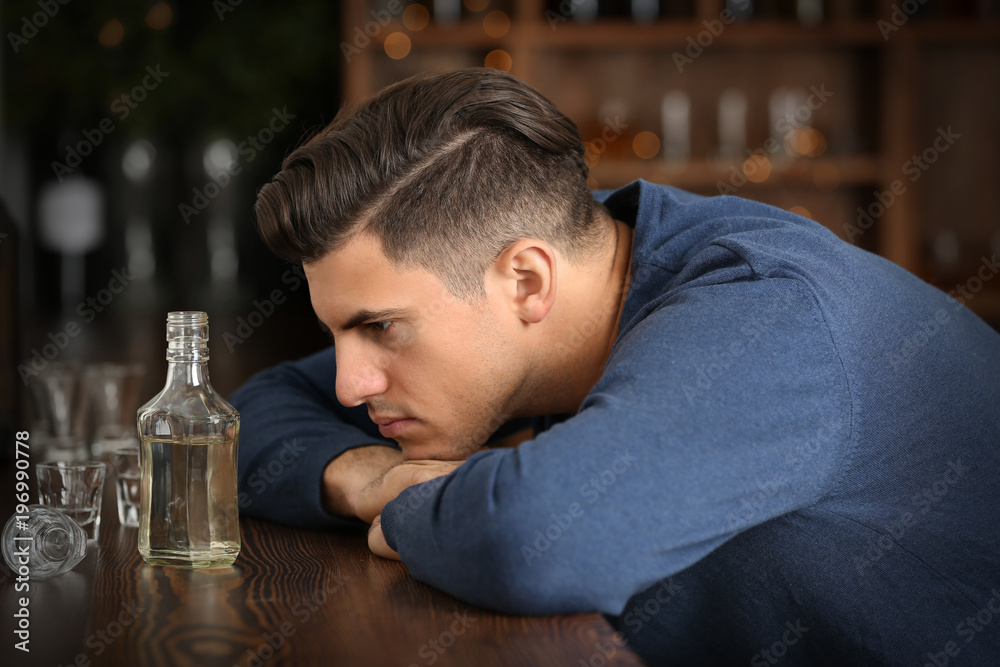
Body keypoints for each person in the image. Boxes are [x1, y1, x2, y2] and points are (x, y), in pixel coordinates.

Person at [230, 68, 1000, 665]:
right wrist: (370, 476)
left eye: (382, 327)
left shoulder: (765, 318)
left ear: (527, 280)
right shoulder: (578, 253)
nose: (348, 384)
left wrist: (424, 504)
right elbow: (253, 409)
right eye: (339, 332)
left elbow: (533, 541)